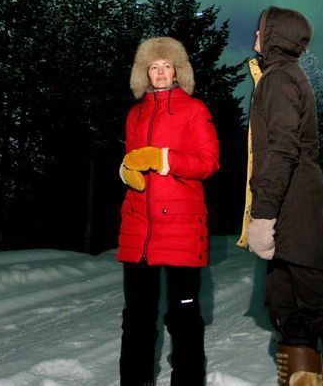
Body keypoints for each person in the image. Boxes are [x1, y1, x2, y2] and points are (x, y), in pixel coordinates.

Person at [238, 6, 323, 386]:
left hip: (293, 205)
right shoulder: (278, 76)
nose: (255, 38)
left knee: (318, 301)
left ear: (275, 35)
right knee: (283, 301)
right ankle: (301, 373)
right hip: (288, 203)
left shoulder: (279, 80)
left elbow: (283, 150)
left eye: (260, 30)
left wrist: (263, 216)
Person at [117, 36, 220, 385]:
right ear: (143, 72)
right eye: (153, 66)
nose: (160, 72)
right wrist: (126, 171)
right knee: (137, 317)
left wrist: (164, 160)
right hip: (138, 230)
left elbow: (208, 163)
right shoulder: (135, 114)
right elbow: (132, 159)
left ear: (178, 71)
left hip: (181, 227)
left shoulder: (195, 109)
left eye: (166, 66)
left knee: (183, 315)